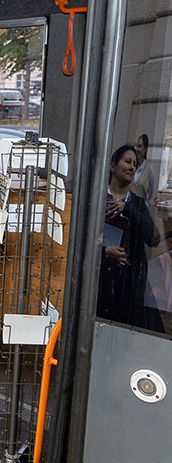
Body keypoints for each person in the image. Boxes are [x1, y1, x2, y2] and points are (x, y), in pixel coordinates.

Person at [98, 144, 162, 331]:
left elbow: (152, 238)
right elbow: (84, 240)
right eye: (127, 161)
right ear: (112, 167)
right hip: (100, 284)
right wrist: (104, 252)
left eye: (135, 163)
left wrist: (128, 209)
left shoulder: (137, 203)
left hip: (128, 287)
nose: (132, 167)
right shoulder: (99, 198)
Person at [130, 133, 156, 206]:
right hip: (127, 208)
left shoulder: (149, 170)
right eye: (137, 146)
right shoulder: (131, 166)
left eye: (140, 146)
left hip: (140, 209)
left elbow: (149, 195)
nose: (137, 149)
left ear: (145, 149)